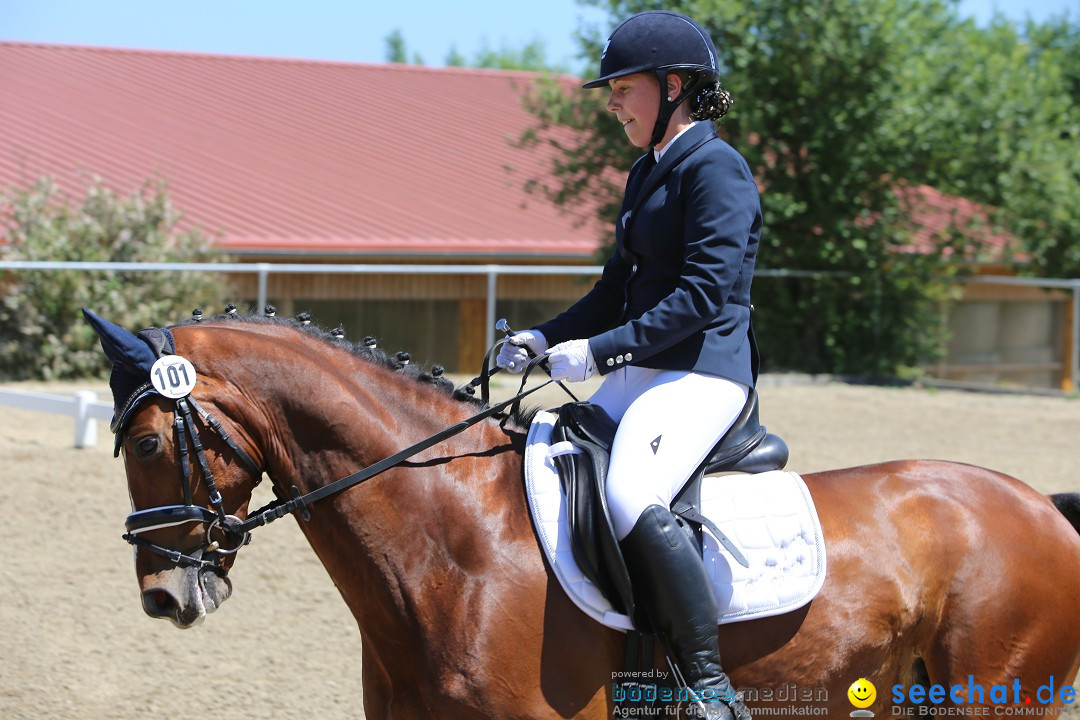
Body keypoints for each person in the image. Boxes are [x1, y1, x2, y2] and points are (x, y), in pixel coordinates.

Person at [497, 10, 759, 720]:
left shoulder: (717, 169)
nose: (611, 102)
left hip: (703, 374)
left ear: (673, 86)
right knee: (539, 456)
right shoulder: (648, 172)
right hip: (643, 374)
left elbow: (704, 296)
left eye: (622, 87)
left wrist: (602, 350)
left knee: (628, 490)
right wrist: (544, 339)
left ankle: (708, 686)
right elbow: (614, 290)